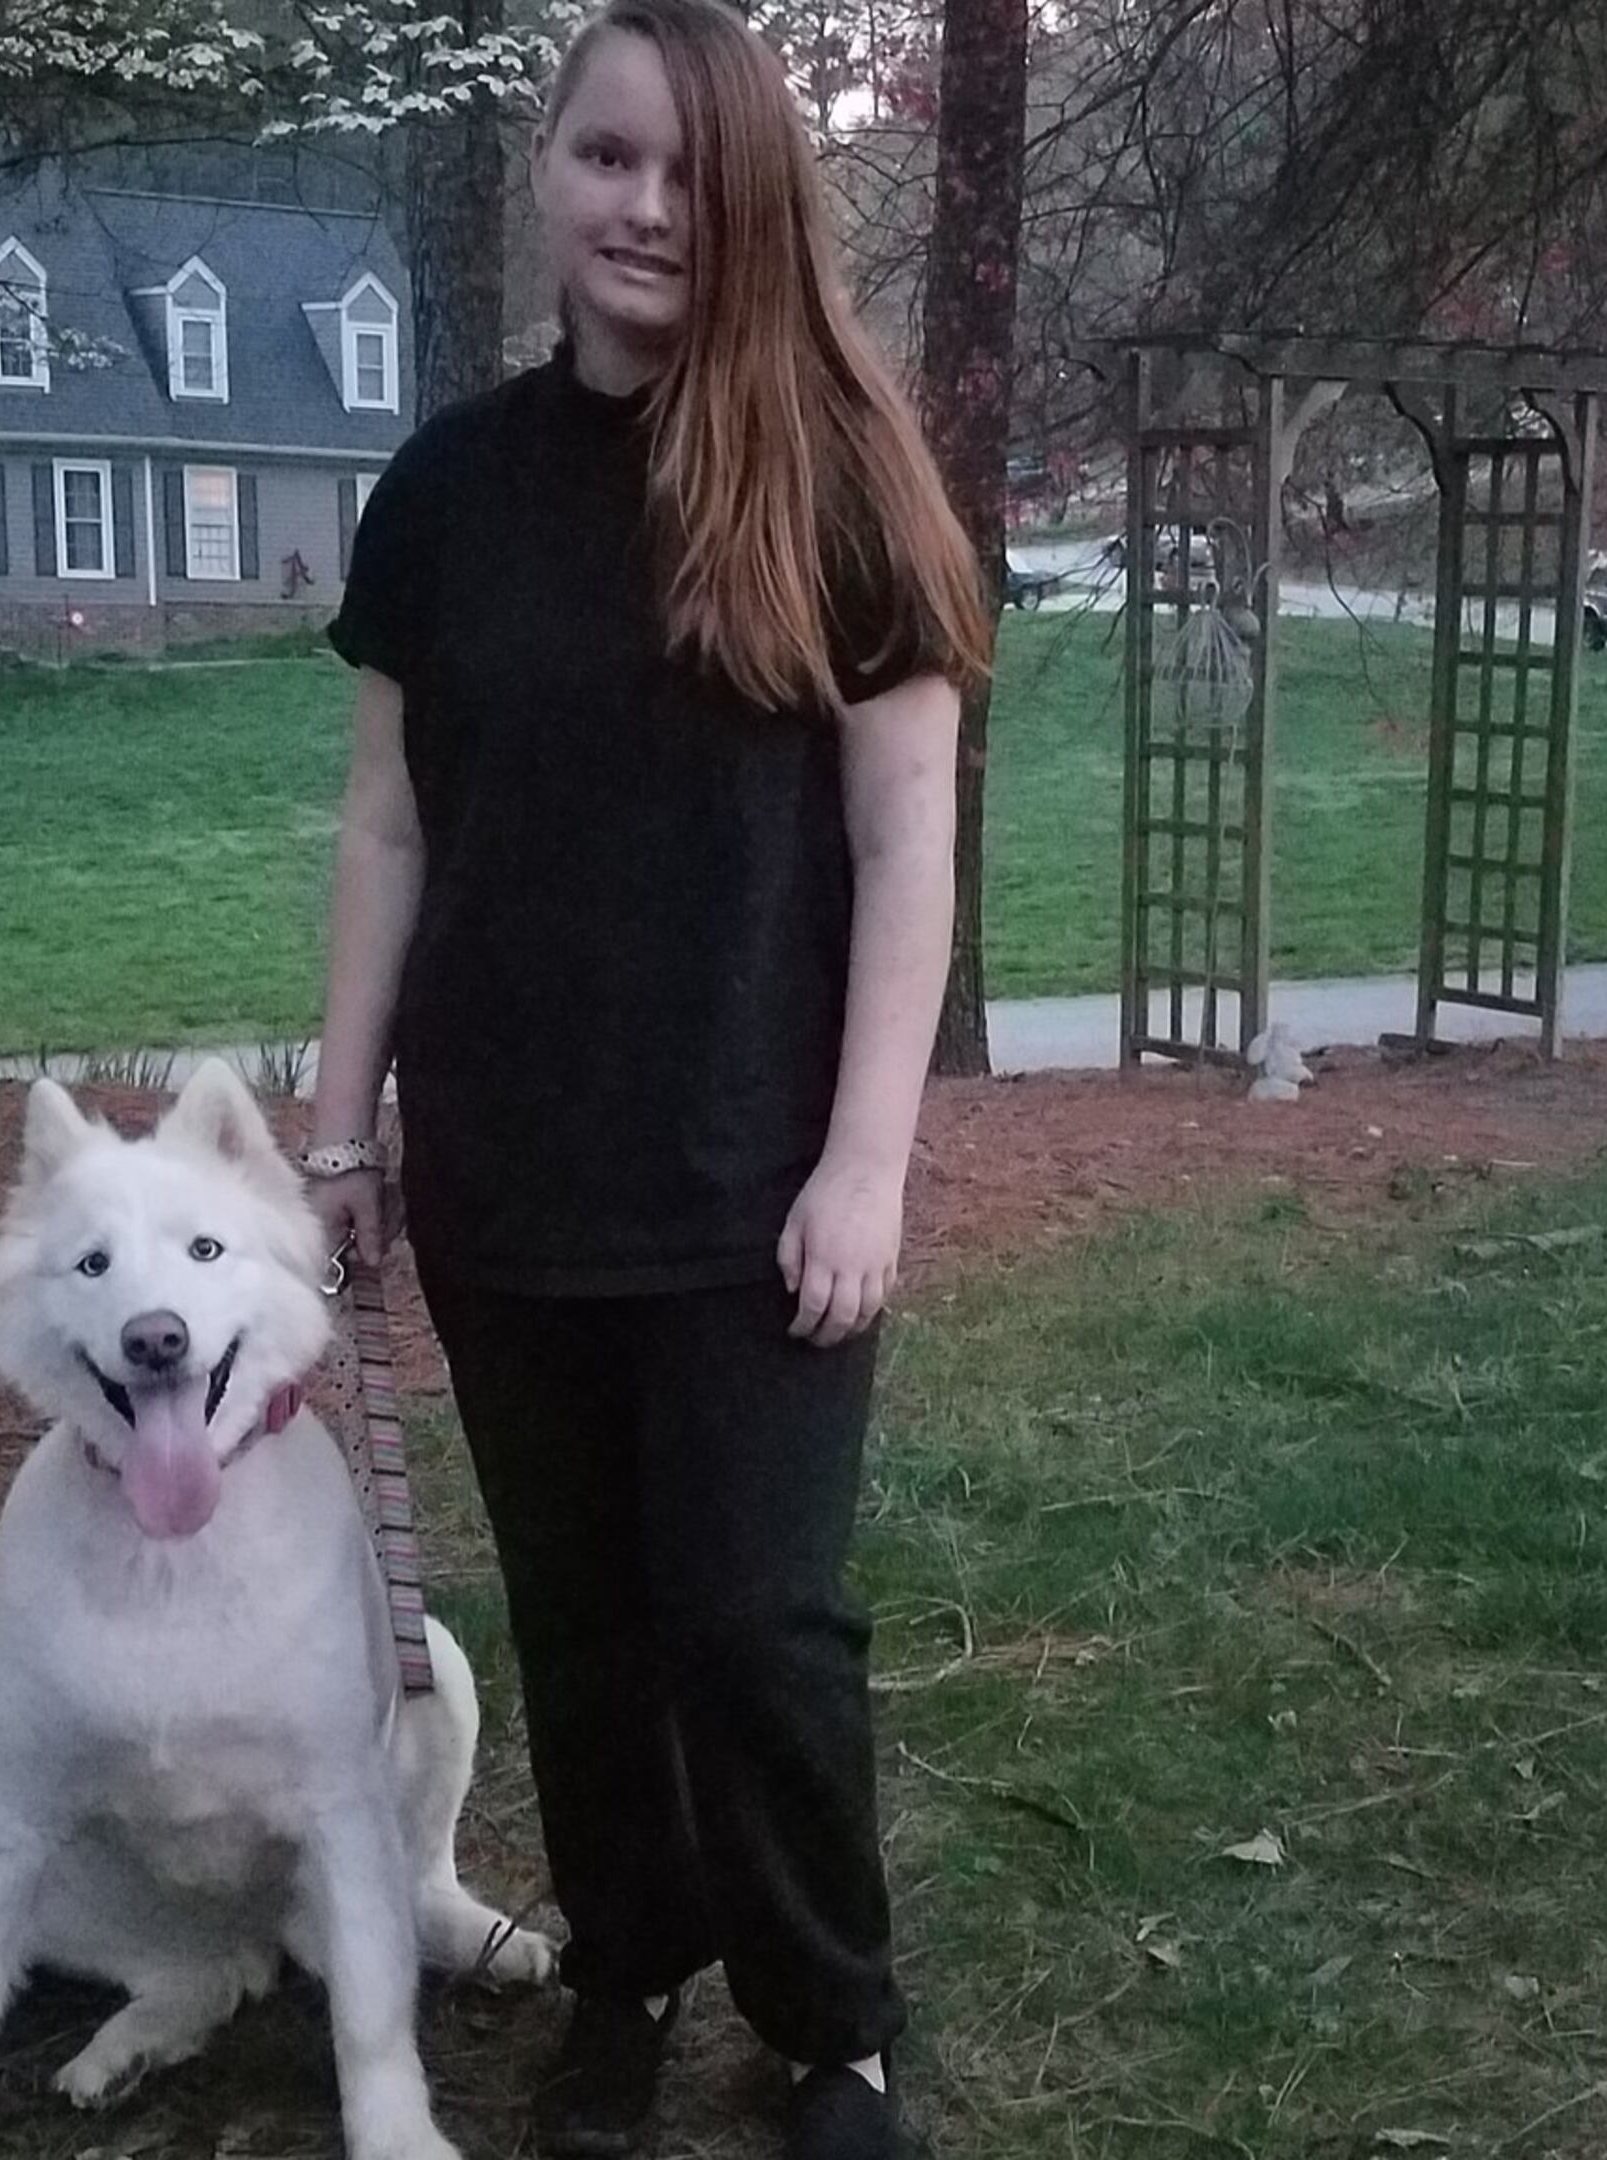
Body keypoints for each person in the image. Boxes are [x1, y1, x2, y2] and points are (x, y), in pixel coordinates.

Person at [302, 4, 990, 2154]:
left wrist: (866, 1163)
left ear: (758, 199)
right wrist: (341, 1127)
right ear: (547, 175)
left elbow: (905, 841)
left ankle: (830, 2020)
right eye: (608, 158)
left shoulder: (849, 477)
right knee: (588, 1627)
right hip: (509, 1172)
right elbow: (390, 826)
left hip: (751, 1175)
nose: (646, 207)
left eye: (691, 171)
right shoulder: (449, 492)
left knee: (755, 1622)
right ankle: (626, 1968)